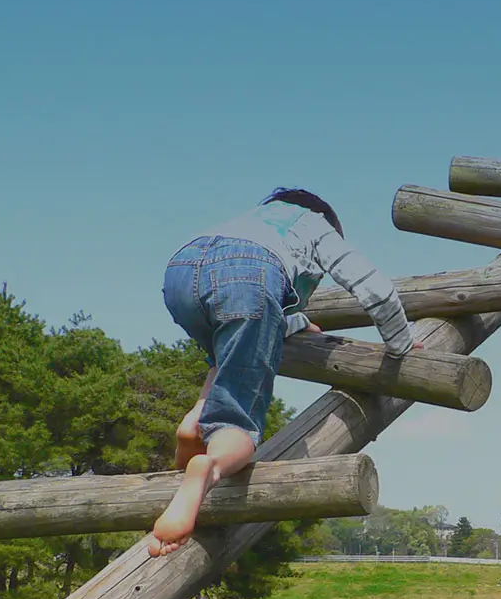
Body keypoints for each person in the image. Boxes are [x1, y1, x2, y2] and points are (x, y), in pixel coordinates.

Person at [150, 189, 421, 556]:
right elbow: (373, 288)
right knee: (238, 423)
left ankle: (195, 420)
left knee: (225, 356)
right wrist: (401, 343)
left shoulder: (249, 222)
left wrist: (291, 321)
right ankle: (209, 466)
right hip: (249, 280)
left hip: (181, 272)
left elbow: (243, 292)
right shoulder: (315, 225)